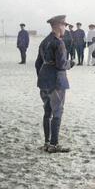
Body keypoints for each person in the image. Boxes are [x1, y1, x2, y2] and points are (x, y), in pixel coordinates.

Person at [35, 15, 75, 153]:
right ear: (59, 25)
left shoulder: (44, 41)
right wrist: (71, 63)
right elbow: (62, 64)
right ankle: (54, 144)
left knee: (47, 112)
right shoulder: (59, 43)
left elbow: (37, 64)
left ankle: (46, 142)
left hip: (43, 81)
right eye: (64, 25)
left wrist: (42, 78)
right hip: (56, 82)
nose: (65, 28)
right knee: (57, 111)